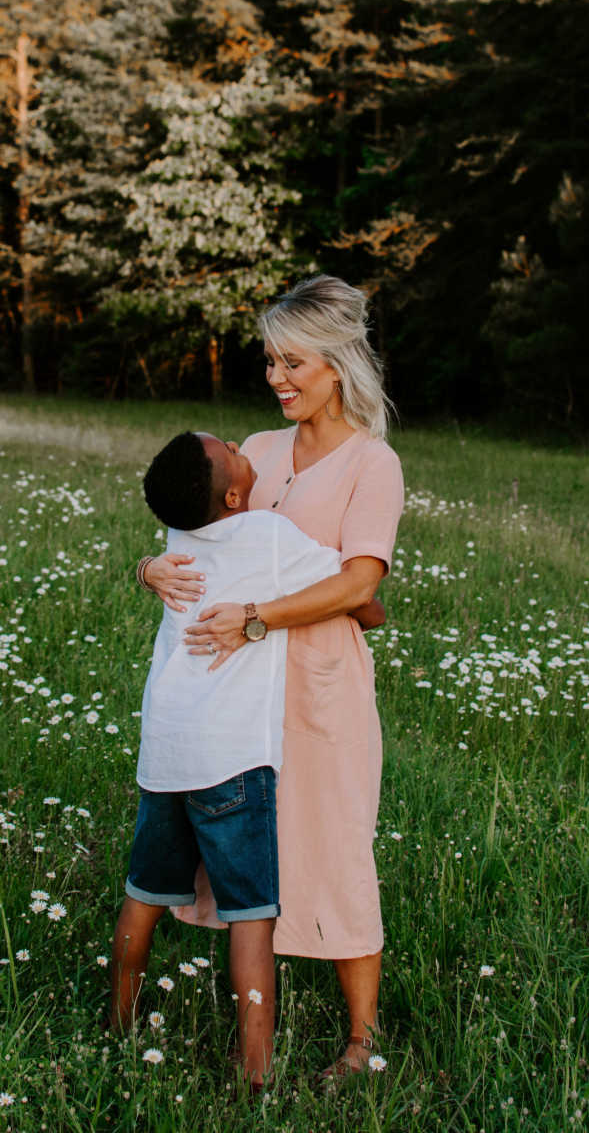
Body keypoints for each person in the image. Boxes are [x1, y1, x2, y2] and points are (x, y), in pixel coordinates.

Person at [141, 275, 404, 1079]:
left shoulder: (373, 463)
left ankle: (360, 1039)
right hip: (240, 695)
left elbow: (362, 585)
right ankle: (253, 1011)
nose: (277, 380)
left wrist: (259, 615)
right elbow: (199, 537)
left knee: (334, 844)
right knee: (252, 843)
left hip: (320, 686)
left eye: (293, 364)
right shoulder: (255, 450)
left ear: (336, 364)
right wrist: (149, 565)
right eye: (270, 363)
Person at [113, 429, 342, 1089]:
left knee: (144, 896)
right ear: (237, 494)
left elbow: (168, 547)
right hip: (233, 758)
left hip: (165, 751)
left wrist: (143, 567)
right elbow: (350, 588)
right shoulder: (269, 536)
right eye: (234, 454)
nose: (245, 449)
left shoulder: (179, 541)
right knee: (251, 918)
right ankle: (257, 1072)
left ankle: (119, 1021)